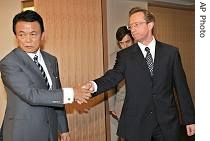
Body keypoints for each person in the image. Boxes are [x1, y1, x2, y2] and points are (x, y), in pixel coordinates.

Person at [83, 7, 195, 141]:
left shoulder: (170, 53)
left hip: (166, 123)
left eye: (137, 24)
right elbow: (113, 76)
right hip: (137, 123)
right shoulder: (125, 56)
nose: (133, 29)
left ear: (150, 25)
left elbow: (181, 88)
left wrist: (190, 119)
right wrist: (94, 85)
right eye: (131, 26)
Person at [0, 10, 92, 141]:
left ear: (42, 35)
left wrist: (63, 129)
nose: (28, 40)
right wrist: (72, 93)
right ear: (16, 37)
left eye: (33, 34)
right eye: (22, 34)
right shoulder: (9, 63)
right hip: (22, 132)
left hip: (50, 131)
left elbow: (55, 94)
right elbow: (31, 95)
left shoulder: (51, 60)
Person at [109, 26, 134, 141]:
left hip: (141, 104)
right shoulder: (114, 57)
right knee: (123, 136)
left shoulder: (142, 54)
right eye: (121, 43)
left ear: (133, 39)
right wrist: (112, 106)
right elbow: (110, 83)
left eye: (127, 41)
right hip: (121, 103)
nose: (125, 46)